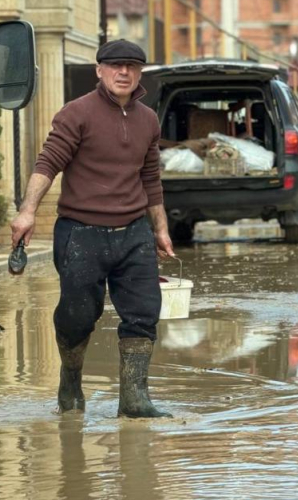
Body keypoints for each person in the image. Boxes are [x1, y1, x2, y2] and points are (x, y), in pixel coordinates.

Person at [10, 40, 175, 418]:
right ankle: (70, 379)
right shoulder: (76, 113)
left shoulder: (148, 119)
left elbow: (151, 178)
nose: (123, 72)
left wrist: (160, 229)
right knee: (77, 315)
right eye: (115, 65)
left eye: (132, 67)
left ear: (140, 74)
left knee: (143, 312)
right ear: (98, 70)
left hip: (133, 232)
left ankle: (134, 399)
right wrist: (27, 212)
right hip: (80, 232)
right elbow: (48, 163)